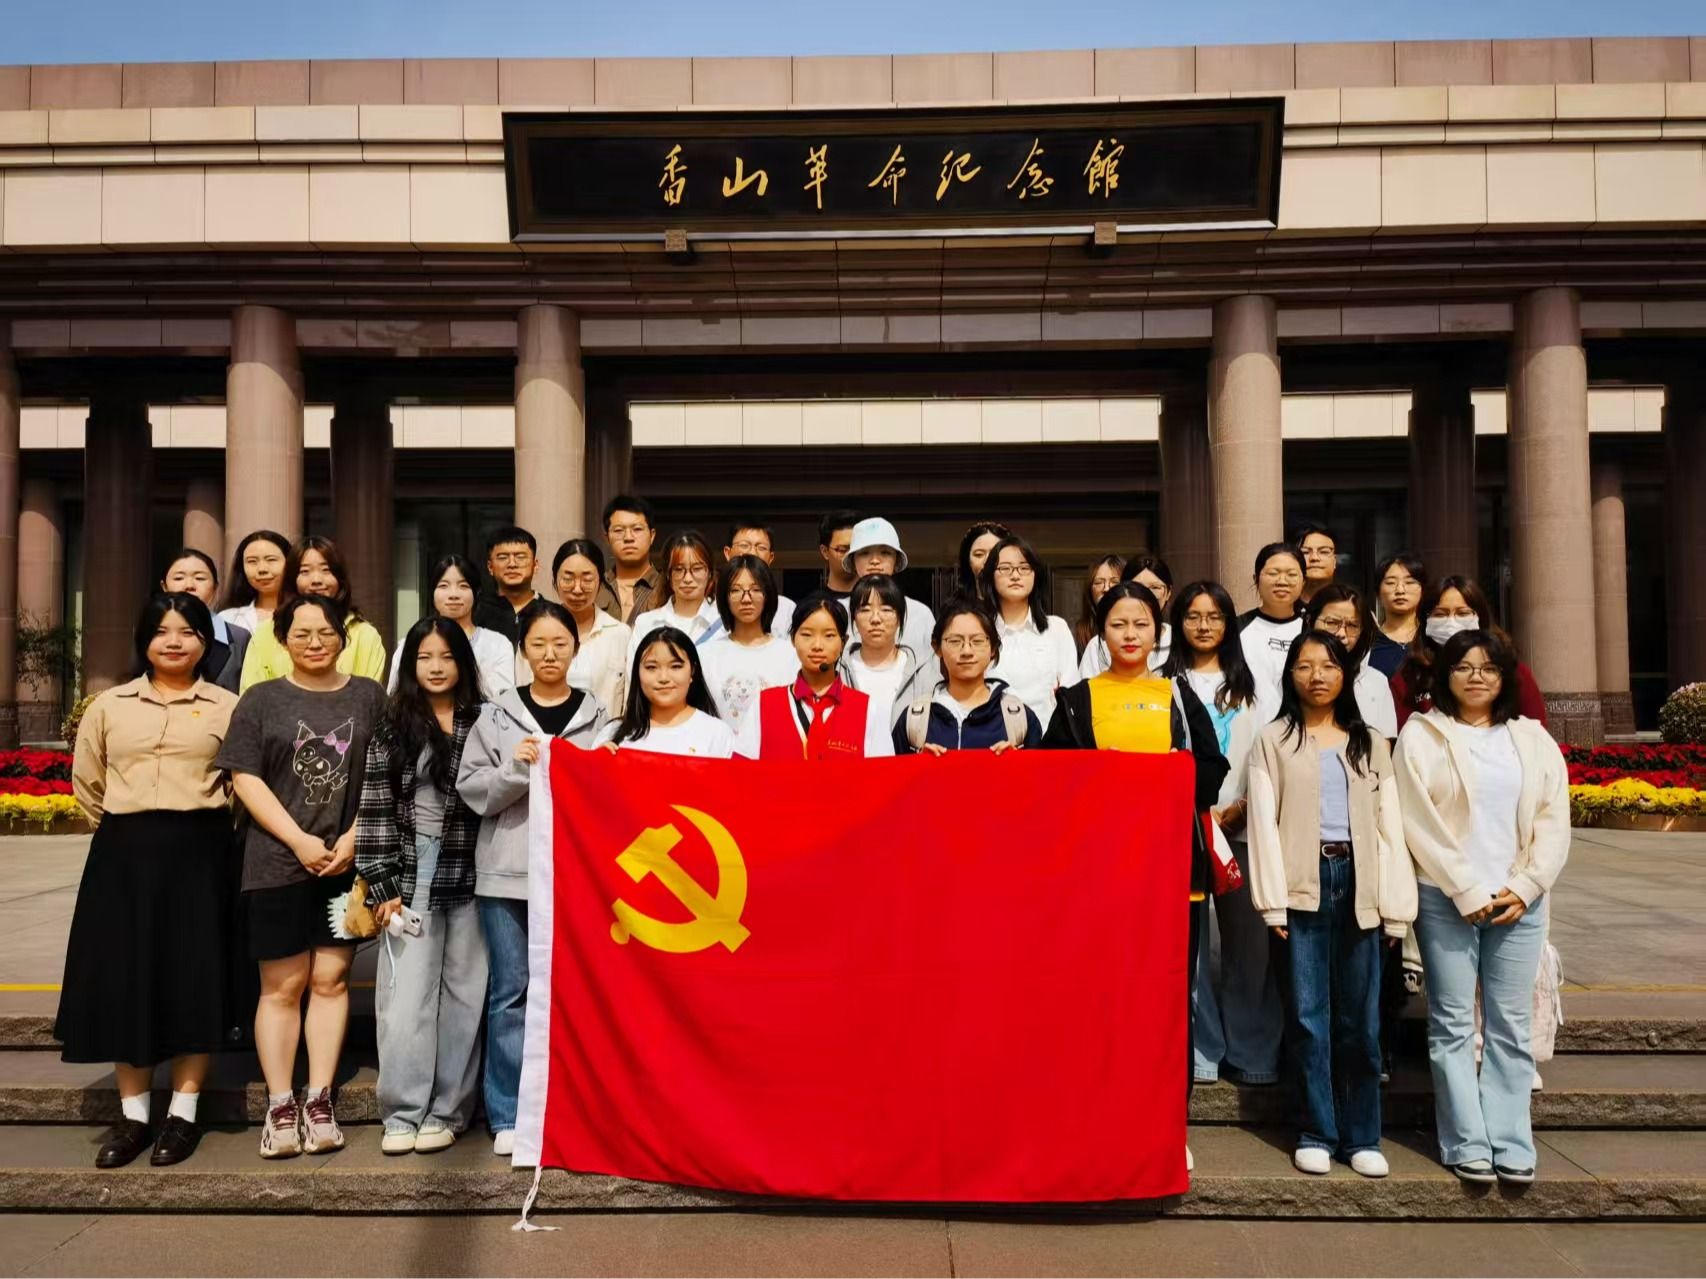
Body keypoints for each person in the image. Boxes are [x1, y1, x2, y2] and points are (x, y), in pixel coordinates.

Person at [1041, 580, 1228, 1174]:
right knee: (1096, 996)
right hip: (1098, 875)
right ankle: (1097, 1117)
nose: (1129, 635)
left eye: (1141, 624)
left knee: (1168, 999)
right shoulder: (1077, 699)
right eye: (1118, 624)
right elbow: (1051, 782)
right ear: (1100, 632)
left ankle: (1167, 1122)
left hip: (1172, 875)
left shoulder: (1177, 695)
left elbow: (1212, 772)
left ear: (1157, 632)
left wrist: (1165, 778)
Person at [58, 592, 239, 1170]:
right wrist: (130, 828)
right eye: (162, 631)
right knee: (126, 978)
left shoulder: (228, 707)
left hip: (201, 857)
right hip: (124, 859)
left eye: (187, 632)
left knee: (194, 976)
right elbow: (88, 782)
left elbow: (240, 785)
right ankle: (133, 1117)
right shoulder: (108, 706)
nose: (174, 641)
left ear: (205, 643)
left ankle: (183, 1113)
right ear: (144, 639)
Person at [1395, 629, 1569, 1186]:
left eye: (1488, 668)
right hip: (1445, 898)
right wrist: (1465, 889)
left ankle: (1511, 1140)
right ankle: (1466, 1140)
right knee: (1450, 1023)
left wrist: (1528, 885)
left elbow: (1553, 819)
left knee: (1510, 1024)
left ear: (1505, 676)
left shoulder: (1532, 738)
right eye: (1464, 667)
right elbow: (1417, 821)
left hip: (1519, 901)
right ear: (1445, 675)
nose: (1476, 677)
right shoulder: (1421, 735)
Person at [216, 594, 387, 1159]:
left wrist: (354, 837)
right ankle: (280, 1104)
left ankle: (319, 1099)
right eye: (302, 633)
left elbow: (384, 773)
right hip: (276, 863)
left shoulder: (369, 696)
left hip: (346, 865)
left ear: (343, 636)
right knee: (282, 986)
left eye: (326, 632)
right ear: (282, 639)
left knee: (331, 981)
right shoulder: (261, 699)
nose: (315, 643)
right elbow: (244, 778)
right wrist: (298, 840)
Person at [1247, 630, 1415, 1178]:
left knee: (1360, 1021)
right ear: (1290, 675)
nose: (1316, 675)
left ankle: (1362, 1135)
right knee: (1307, 1017)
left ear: (1346, 674)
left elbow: (1391, 827)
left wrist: (1396, 906)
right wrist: (1272, 902)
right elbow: (1263, 823)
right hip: (1303, 883)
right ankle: (1316, 1131)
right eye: (1304, 665)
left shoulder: (1370, 742)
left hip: (1361, 883)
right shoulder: (1274, 740)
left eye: (1328, 665)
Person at [457, 599, 608, 1158]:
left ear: (576, 649)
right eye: (538, 644)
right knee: (511, 992)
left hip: (577, 876)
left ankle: (570, 1106)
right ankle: (507, 1112)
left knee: (578, 992)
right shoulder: (496, 716)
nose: (549, 654)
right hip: (507, 874)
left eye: (560, 644)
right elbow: (474, 792)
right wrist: (516, 770)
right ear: (522, 651)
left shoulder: (600, 716)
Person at [355, 618, 487, 1156]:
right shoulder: (393, 724)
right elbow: (375, 804)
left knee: (465, 994)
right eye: (425, 657)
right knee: (406, 996)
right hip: (413, 868)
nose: (436, 667)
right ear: (410, 664)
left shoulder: (485, 719)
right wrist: (381, 879)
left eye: (447, 656)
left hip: (475, 868)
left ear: (463, 663)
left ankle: (449, 1110)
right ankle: (404, 1111)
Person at [1161, 581, 1280, 1089]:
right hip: (1184, 829)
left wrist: (1243, 808)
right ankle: (1202, 1051)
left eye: (1214, 616)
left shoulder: (1257, 685)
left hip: (1244, 828)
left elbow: (1271, 752)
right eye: (1193, 616)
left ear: (1229, 623)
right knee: (1189, 949)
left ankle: (1253, 1051)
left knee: (1250, 946)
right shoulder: (1163, 684)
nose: (1204, 625)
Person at [733, 593, 896, 760]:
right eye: (807, 634)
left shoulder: (867, 710)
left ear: (843, 642)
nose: (817, 645)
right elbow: (740, 771)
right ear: (793, 638)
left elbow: (884, 774)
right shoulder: (764, 705)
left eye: (829, 636)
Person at [1391, 576, 1546, 732]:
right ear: (1425, 621)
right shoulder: (1410, 678)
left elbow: (1536, 734)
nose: (1451, 622)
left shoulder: (1514, 672)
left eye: (1462, 613)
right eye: (1440, 614)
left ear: (1480, 618)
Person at [891, 598, 1041, 754]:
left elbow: (1041, 769)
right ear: (937, 648)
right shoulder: (915, 720)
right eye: (955, 641)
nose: (967, 651)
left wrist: (1019, 763)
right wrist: (918, 764)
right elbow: (896, 770)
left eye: (977, 641)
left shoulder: (1019, 719)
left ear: (993, 649)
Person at [239, 536, 387, 691]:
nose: (316, 580)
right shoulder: (266, 633)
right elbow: (252, 697)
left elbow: (369, 698)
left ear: (340, 578)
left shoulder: (364, 635)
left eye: (326, 570)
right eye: (305, 571)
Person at [979, 534, 1079, 731]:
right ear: (991, 575)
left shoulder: (1056, 628)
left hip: (1048, 740)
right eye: (1005, 568)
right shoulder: (980, 632)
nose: (1015, 575)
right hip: (993, 739)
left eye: (1024, 568)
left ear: (1035, 575)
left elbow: (1070, 694)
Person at [387, 554, 515, 698]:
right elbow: (395, 698)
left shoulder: (498, 645)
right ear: (432, 593)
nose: (453, 595)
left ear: (476, 593)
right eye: (443, 586)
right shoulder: (411, 644)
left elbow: (504, 700)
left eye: (463, 586)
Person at [697, 556, 799, 733]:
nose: (746, 599)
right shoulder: (705, 655)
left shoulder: (790, 656)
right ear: (725, 597)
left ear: (768, 595)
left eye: (756, 589)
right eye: (736, 590)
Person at [599, 626, 736, 757]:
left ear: (692, 671)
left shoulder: (717, 734)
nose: (663, 678)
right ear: (637, 672)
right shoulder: (612, 733)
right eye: (651, 667)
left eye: (675, 667)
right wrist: (598, 761)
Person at [1303, 585, 1399, 741]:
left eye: (1352, 626)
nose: (1341, 634)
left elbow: (1386, 743)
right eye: (1331, 622)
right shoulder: (1294, 675)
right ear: (1310, 621)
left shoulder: (1375, 681)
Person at [552, 538, 630, 713]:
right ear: (555, 581)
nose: (577, 589)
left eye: (587, 579)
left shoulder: (620, 634)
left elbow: (629, 702)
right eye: (568, 579)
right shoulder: (537, 633)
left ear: (600, 583)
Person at [841, 573, 929, 727]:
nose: (875, 619)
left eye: (886, 609)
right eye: (865, 610)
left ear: (900, 618)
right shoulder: (839, 670)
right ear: (854, 618)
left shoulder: (922, 672)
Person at [625, 530, 723, 667]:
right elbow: (634, 675)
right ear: (668, 575)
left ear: (710, 573)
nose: (687, 579)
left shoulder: (724, 624)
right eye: (678, 569)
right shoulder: (646, 624)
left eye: (697, 569)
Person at [841, 516, 936, 654]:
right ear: (853, 561)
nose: (874, 561)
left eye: (885, 552)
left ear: (896, 560)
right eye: (864, 553)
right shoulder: (837, 611)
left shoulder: (921, 614)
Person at [163, 547, 249, 692]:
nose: (189, 586)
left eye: (200, 578)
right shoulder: (151, 631)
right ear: (164, 587)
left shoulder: (239, 637)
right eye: (179, 578)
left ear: (215, 588)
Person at [1240, 543, 1307, 727]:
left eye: (1291, 574)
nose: (1282, 581)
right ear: (1256, 578)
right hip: (1248, 733)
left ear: (1303, 581)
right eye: (1273, 573)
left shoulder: (1311, 629)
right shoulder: (1237, 629)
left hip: (1303, 731)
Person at [1080, 554, 1172, 677]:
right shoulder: (1097, 646)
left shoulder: (1179, 642)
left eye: (1155, 587)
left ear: (1168, 593)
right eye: (1138, 586)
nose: (1146, 594)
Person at [723, 520, 796, 636]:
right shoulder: (712, 610)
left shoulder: (786, 609)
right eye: (744, 545)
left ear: (771, 557)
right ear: (728, 553)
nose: (752, 553)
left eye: (761, 548)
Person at [598, 495, 662, 624]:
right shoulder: (596, 586)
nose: (628, 538)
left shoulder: (667, 586)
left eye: (637, 529)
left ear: (652, 536)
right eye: (619, 530)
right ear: (607, 538)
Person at [471, 526, 540, 646]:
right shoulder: (474, 613)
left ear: (535, 565)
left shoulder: (551, 613)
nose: (512, 564)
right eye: (503, 557)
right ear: (490, 567)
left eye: (520, 557)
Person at [218, 529, 290, 636]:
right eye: (252, 561)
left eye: (271, 560)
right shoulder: (227, 618)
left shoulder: (307, 613)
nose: (262, 569)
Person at [1370, 553, 1426, 679]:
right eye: (1390, 583)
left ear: (1423, 590)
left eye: (1409, 582)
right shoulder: (1367, 644)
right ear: (1378, 593)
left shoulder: (1431, 638)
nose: (1400, 590)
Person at [1073, 553, 1125, 658]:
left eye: (1114, 582)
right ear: (1090, 591)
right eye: (1098, 583)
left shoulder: (1140, 630)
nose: (1106, 588)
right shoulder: (1076, 634)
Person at [955, 520, 1012, 600]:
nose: (987, 560)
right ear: (968, 561)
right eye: (979, 554)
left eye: (994, 553)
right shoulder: (955, 607)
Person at [818, 509, 861, 597]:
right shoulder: (815, 603)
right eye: (843, 550)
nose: (851, 555)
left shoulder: (878, 600)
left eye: (857, 549)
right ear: (825, 551)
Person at [1294, 524, 1338, 606]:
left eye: (1324, 552)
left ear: (1335, 561)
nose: (1314, 558)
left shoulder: (1350, 604)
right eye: (1305, 552)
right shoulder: (1285, 606)